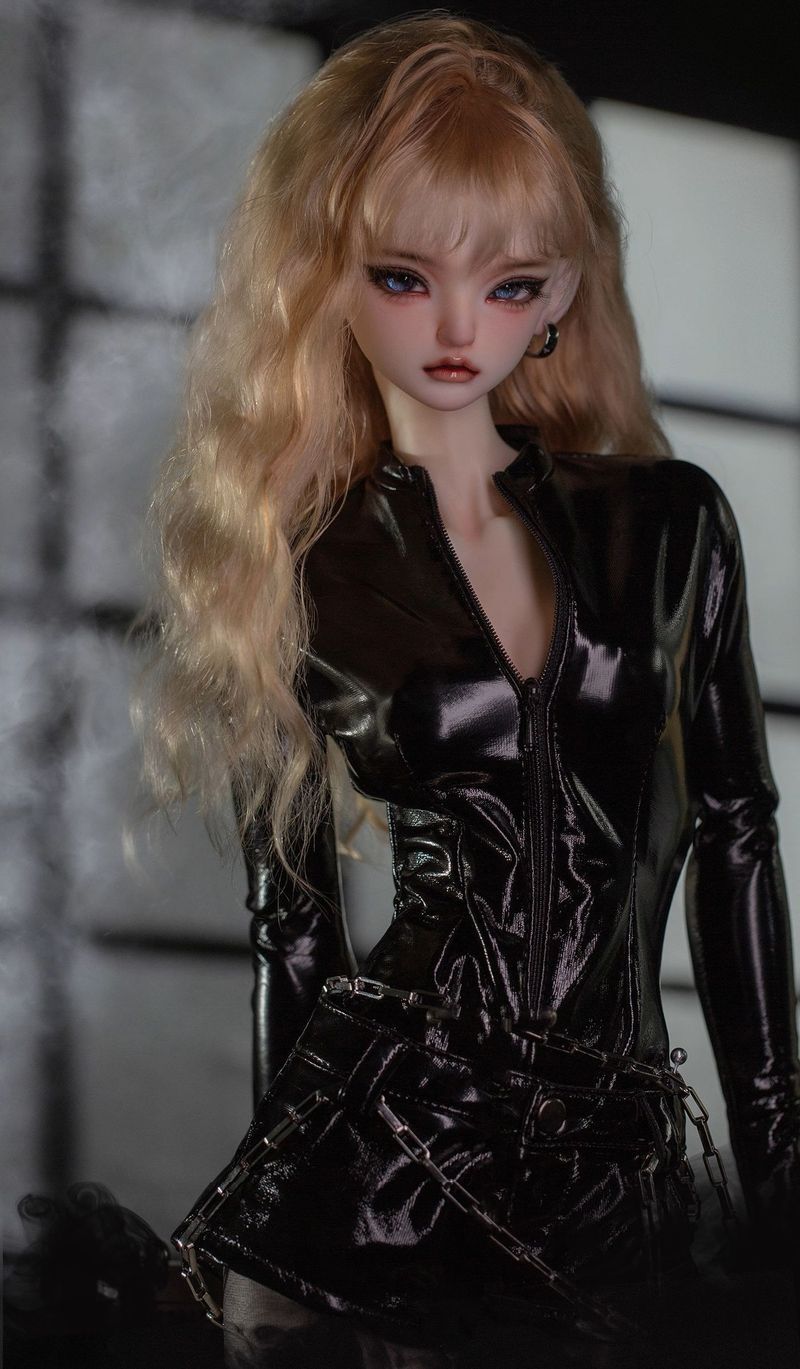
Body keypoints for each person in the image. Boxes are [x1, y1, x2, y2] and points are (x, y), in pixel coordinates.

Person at [129, 10, 800, 1365]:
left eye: (508, 283)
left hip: (612, 1166)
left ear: (560, 293)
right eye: (402, 275)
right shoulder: (300, 563)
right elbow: (296, 934)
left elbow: (737, 832)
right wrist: (277, 1196)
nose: (453, 326)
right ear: (325, 273)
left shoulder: (669, 524)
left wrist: (779, 1161)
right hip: (374, 1160)